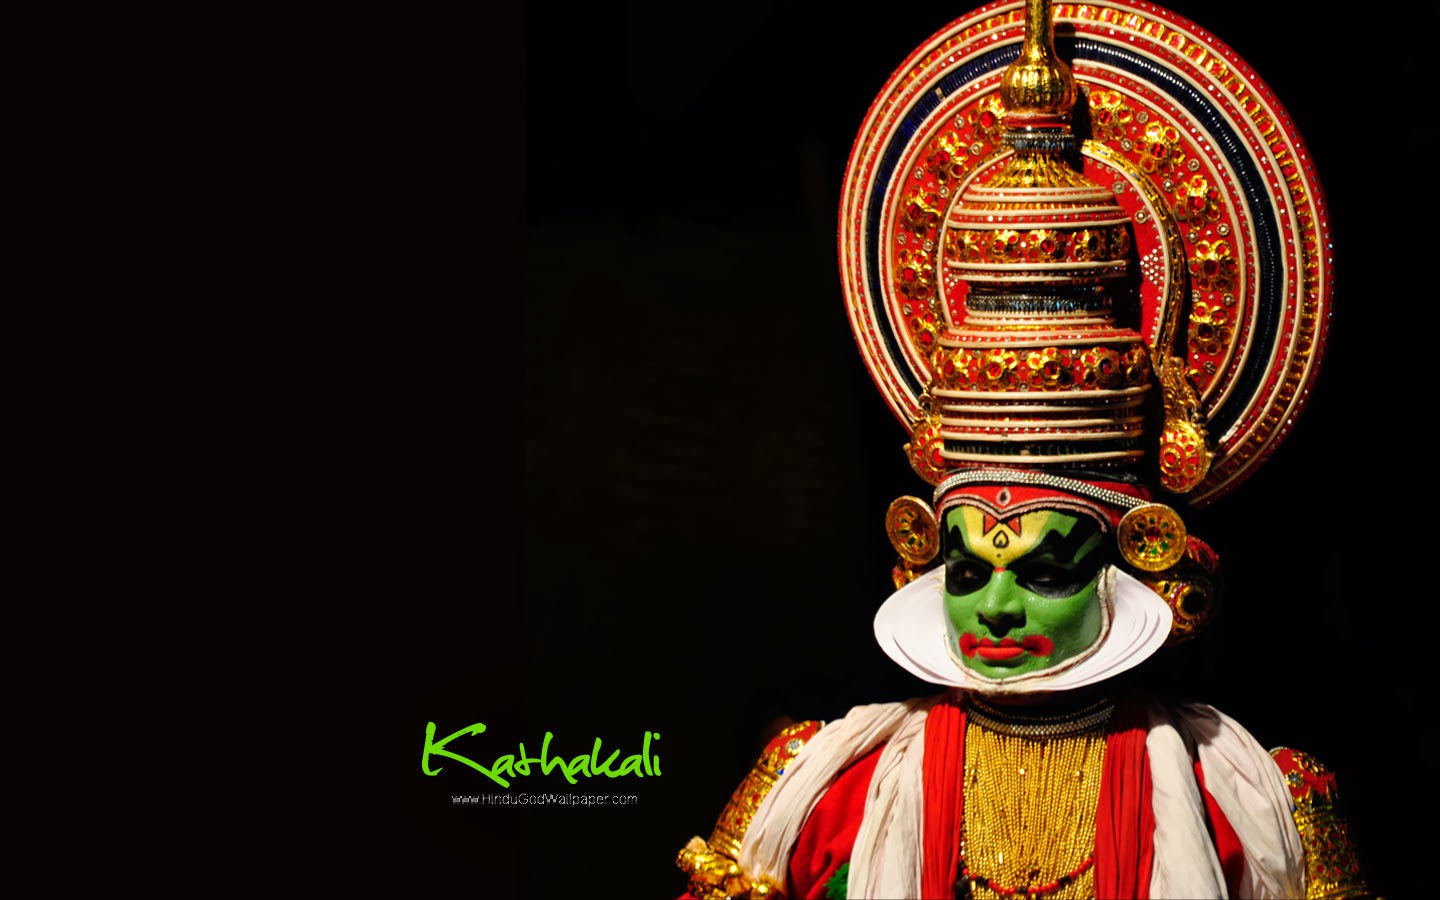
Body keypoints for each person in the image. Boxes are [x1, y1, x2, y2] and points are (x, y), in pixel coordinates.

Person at [675, 0, 1374, 897]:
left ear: (1136, 563)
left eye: (1044, 572)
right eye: (968, 570)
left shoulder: (1245, 802)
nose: (995, 608)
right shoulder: (821, 791)